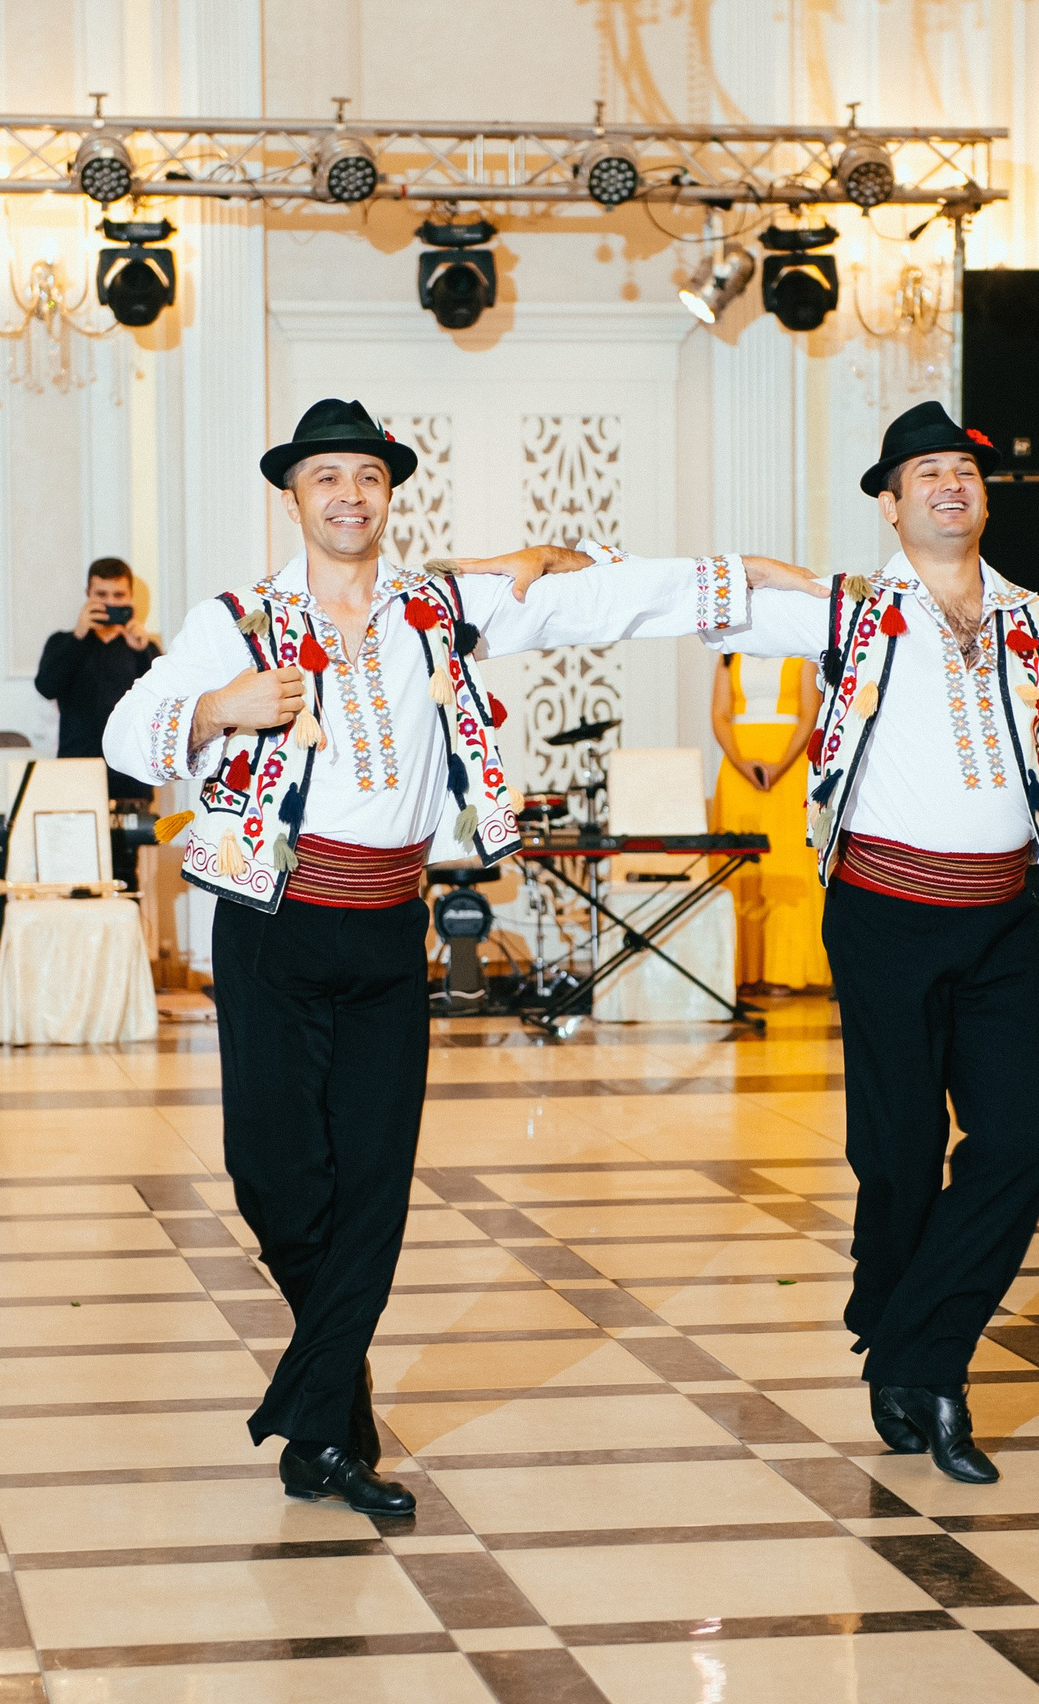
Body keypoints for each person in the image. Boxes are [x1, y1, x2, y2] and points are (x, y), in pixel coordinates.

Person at [104, 398, 806, 1515]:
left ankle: (330, 1435)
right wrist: (215, 709)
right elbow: (125, 734)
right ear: (292, 496)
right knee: (278, 1181)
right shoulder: (235, 621)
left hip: (388, 923)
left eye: (367, 478)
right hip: (271, 920)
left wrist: (758, 589)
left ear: (389, 494)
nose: (348, 495)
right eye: (326, 478)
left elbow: (606, 603)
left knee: (374, 1179)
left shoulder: (443, 608)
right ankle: (333, 1399)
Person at [699, 401, 1039, 1484]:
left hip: (1000, 916)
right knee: (895, 1156)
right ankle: (903, 1336)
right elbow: (712, 608)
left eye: (964, 469)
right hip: (884, 911)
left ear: (982, 496)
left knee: (1022, 1148)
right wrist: (547, 574)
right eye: (926, 472)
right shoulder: (850, 613)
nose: (950, 483)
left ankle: (923, 1359)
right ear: (890, 503)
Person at [711, 652, 828, 990]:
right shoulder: (728, 656)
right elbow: (719, 716)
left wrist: (779, 766)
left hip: (789, 768)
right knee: (741, 869)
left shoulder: (800, 654)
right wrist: (740, 761)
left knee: (789, 862)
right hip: (738, 767)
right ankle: (740, 972)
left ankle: (788, 972)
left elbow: (810, 714)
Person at [36, 556, 163, 797]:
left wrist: (141, 652)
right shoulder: (63, 642)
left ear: (130, 597)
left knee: (134, 835)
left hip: (131, 771)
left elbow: (164, 702)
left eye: (118, 596)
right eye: (101, 595)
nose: (110, 603)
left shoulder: (145, 649)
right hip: (76, 769)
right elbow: (45, 688)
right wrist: (78, 636)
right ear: (88, 594)